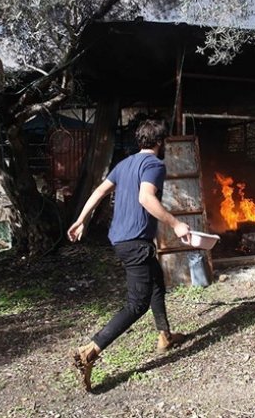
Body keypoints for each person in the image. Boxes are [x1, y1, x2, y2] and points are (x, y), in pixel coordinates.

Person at [67, 118, 190, 392]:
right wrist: (176, 223)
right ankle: (91, 350)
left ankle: (165, 335)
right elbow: (146, 199)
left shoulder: (124, 164)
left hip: (122, 240)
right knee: (137, 305)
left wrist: (81, 220)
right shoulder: (155, 164)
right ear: (160, 142)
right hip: (135, 243)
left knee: (157, 281)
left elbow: (99, 191)